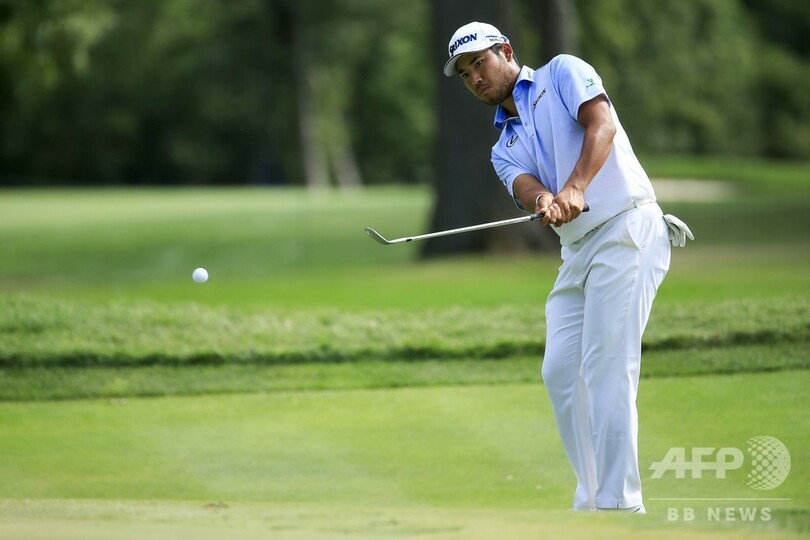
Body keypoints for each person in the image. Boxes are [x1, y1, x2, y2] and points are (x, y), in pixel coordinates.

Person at [443, 21, 692, 513]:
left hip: (626, 228)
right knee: (560, 370)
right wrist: (544, 200)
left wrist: (575, 187)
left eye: (479, 63)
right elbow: (526, 187)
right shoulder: (501, 148)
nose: (475, 78)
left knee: (606, 365)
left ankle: (620, 504)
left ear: (506, 51)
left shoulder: (561, 73)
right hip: (577, 252)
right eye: (466, 74)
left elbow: (603, 126)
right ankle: (592, 495)